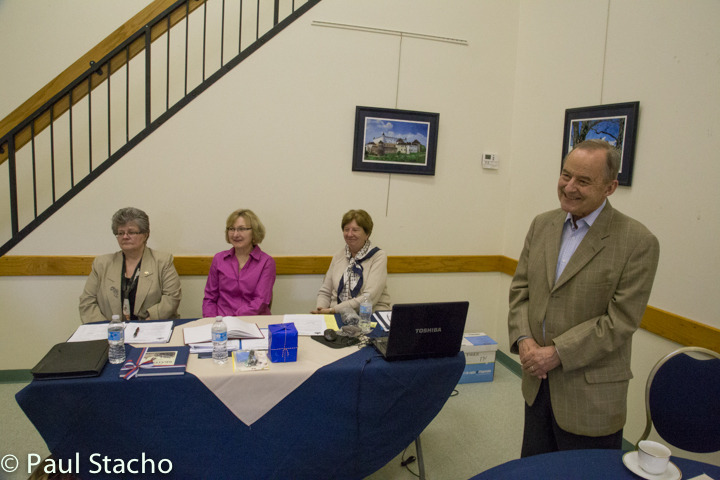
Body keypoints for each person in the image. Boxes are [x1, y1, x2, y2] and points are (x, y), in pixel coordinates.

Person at [507, 139, 660, 457]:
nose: (569, 187)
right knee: (534, 470)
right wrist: (523, 339)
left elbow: (621, 321)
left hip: (591, 398)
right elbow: (521, 290)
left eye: (583, 181)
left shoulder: (637, 241)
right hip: (537, 384)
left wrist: (557, 353)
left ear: (610, 187)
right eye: (566, 175)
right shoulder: (542, 224)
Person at [79, 207, 182, 323]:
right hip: (110, 330)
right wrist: (108, 328)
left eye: (131, 232)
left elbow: (172, 298)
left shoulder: (162, 261)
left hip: (151, 327)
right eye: (120, 233)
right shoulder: (102, 264)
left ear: (145, 235)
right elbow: (87, 302)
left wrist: (146, 324)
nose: (125, 237)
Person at [312, 209, 391, 315]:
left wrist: (333, 310)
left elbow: (368, 297)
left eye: (355, 230)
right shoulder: (338, 256)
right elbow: (325, 292)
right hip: (337, 315)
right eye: (346, 229)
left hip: (369, 316)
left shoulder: (378, 256)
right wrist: (320, 311)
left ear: (367, 234)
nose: (349, 234)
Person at [202, 208, 276, 317]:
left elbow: (260, 302)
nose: (235, 234)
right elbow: (210, 298)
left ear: (254, 232)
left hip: (253, 321)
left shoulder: (266, 262)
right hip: (221, 322)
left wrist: (233, 319)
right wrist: (212, 321)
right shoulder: (219, 259)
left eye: (241, 229)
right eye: (232, 229)